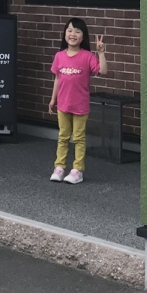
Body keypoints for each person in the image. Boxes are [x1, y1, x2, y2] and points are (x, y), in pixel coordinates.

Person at [48, 17, 107, 184]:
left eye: (77, 31)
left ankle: (77, 170)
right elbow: (57, 79)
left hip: (80, 105)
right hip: (63, 104)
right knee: (63, 137)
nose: (72, 34)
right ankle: (59, 167)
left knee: (79, 138)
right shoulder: (59, 56)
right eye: (69, 30)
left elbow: (103, 71)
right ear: (64, 33)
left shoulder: (87, 56)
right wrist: (53, 99)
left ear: (83, 36)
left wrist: (101, 53)